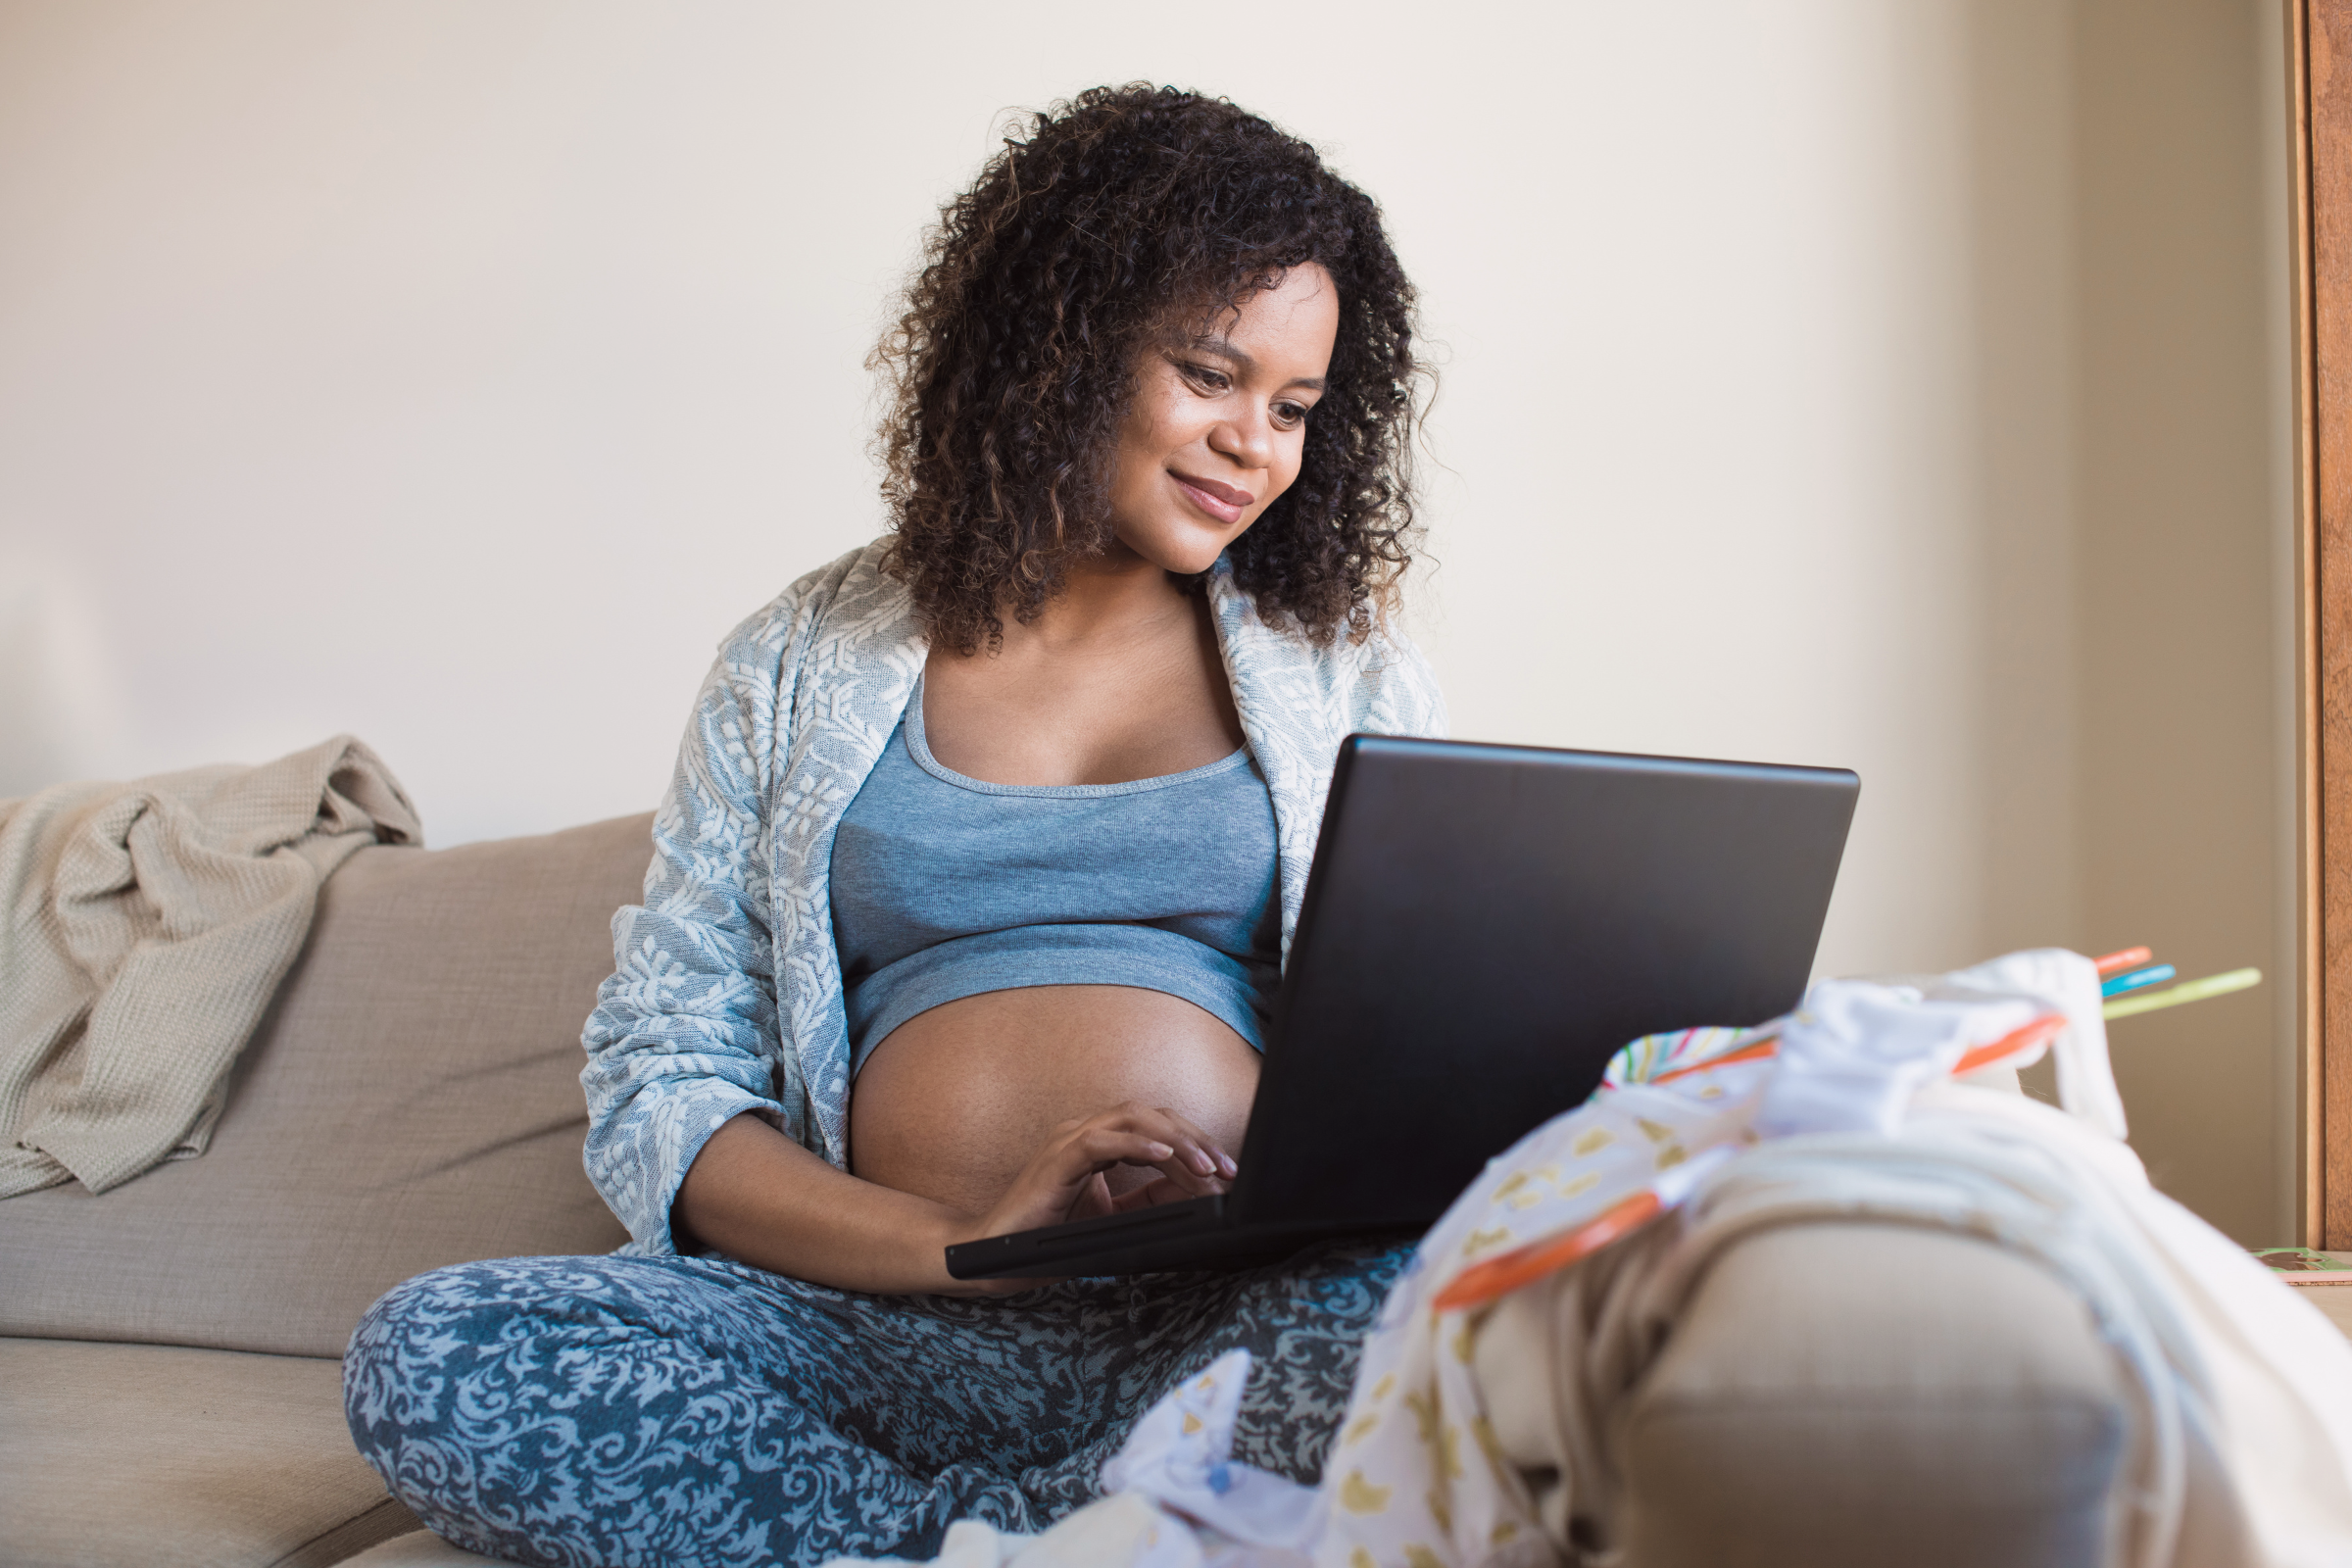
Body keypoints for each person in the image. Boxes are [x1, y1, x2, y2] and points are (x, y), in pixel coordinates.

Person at [343, 83, 1446, 1568]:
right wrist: (961, 1250)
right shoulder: (796, 662)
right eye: (1209, 375)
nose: (1254, 444)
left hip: (1221, 1315)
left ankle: (1006, 1535)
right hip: (887, 1326)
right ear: (1065, 341)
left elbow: (1420, 1056)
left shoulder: (1342, 669)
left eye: (1296, 409)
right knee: (438, 1350)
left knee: (1475, 1298)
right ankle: (1068, 1532)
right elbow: (667, 1079)